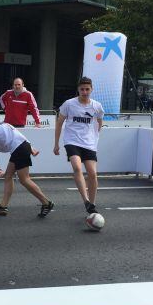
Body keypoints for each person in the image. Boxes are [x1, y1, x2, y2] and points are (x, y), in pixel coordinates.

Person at [0, 115, 54, 218]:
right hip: (20, 147)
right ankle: (3, 207)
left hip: (19, 149)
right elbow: (13, 131)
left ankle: (46, 203)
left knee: (24, 180)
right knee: (8, 176)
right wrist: (30, 147)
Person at [53, 77, 104, 216]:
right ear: (78, 90)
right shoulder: (69, 104)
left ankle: (92, 205)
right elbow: (59, 123)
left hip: (89, 143)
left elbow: (100, 122)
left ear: (91, 89)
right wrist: (56, 143)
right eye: (82, 89)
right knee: (76, 166)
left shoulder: (97, 106)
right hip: (72, 141)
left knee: (92, 174)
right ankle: (85, 200)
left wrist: (94, 136)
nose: (85, 92)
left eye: (87, 89)